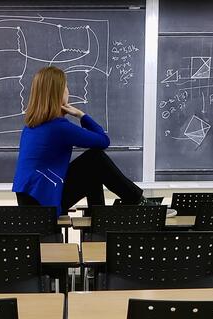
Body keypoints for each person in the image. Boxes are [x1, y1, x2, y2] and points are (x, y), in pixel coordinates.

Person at [12, 65, 147, 213]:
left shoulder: (31, 126)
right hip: (44, 206)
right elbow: (103, 141)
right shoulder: (59, 128)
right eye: (66, 87)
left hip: (30, 202)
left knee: (91, 168)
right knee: (95, 159)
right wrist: (81, 115)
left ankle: (99, 219)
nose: (68, 91)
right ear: (58, 93)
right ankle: (138, 202)